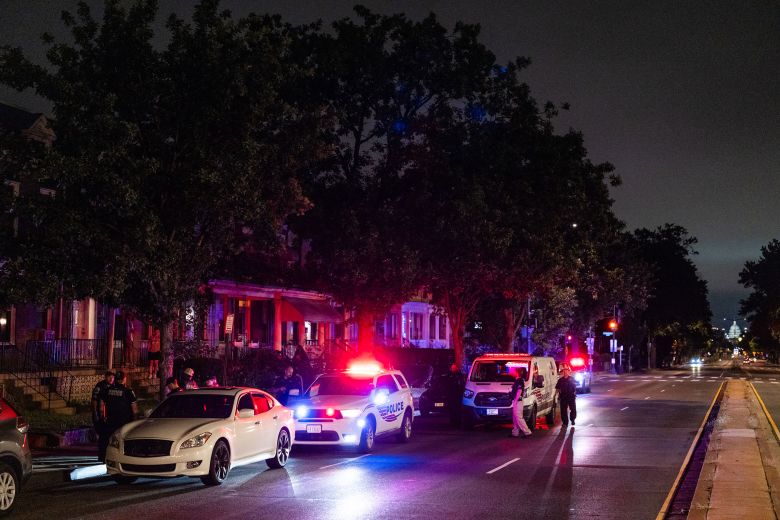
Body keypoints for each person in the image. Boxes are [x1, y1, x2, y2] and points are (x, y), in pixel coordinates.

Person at [101, 371, 138, 456]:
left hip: (111, 420)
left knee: (110, 440)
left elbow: (102, 404)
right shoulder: (128, 391)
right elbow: (134, 408)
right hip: (124, 421)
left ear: (116, 379)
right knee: (123, 440)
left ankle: (108, 456)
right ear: (124, 379)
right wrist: (135, 421)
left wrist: (103, 416)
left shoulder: (108, 390)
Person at [91, 371, 114, 462]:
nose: (111, 379)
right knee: (102, 436)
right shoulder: (100, 386)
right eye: (109, 377)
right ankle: (101, 456)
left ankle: (107, 456)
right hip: (100, 415)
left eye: (112, 377)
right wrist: (95, 413)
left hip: (110, 415)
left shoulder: (114, 386)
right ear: (105, 377)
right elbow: (94, 400)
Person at [510, 367, 533, 438]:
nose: (511, 372)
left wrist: (516, 400)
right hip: (516, 401)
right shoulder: (518, 380)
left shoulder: (519, 381)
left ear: (517, 372)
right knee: (515, 418)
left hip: (518, 401)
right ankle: (515, 433)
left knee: (519, 417)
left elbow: (519, 391)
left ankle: (527, 432)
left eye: (513, 371)